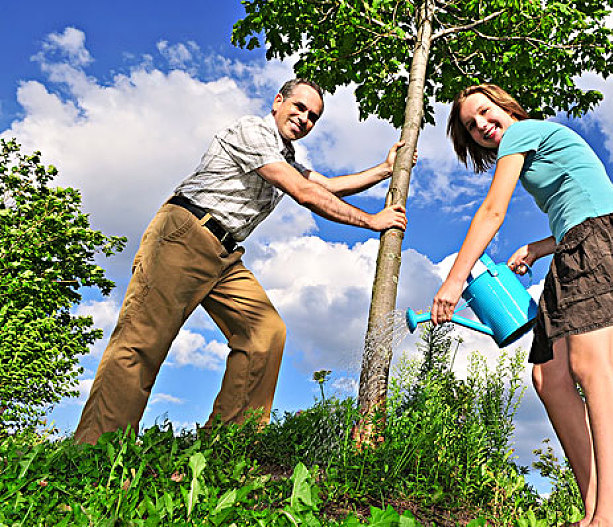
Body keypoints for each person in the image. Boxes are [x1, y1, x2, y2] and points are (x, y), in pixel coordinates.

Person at [75, 78, 409, 444]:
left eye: (313, 117)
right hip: (184, 234)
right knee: (142, 340)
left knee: (265, 333)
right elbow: (305, 193)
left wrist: (384, 168)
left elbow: (327, 185)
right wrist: (371, 221)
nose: (304, 119)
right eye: (298, 107)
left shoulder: (287, 158)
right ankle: (94, 453)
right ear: (278, 101)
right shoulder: (252, 131)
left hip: (225, 253)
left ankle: (227, 445)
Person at [432, 84, 613, 527]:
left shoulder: (521, 132)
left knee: (593, 365)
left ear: (506, 107)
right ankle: (593, 510)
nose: (483, 127)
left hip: (597, 240)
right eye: (472, 126)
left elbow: (492, 211)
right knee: (549, 376)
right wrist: (537, 247)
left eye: (486, 114)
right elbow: (582, 200)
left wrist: (454, 281)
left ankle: (612, 518)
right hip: (577, 242)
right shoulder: (533, 143)